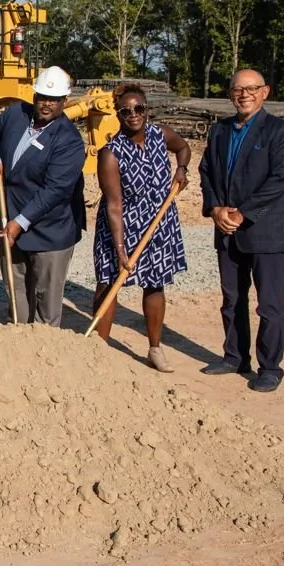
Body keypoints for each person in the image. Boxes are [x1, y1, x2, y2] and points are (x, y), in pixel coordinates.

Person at [198, 69, 284, 393]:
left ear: (265, 92)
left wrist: (244, 213)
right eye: (238, 89)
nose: (244, 94)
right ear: (230, 94)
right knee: (232, 299)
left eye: (251, 88)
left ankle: (270, 367)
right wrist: (215, 208)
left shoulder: (280, 132)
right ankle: (235, 357)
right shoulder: (220, 131)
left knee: (269, 304)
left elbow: (281, 179)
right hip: (227, 228)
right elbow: (206, 171)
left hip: (266, 231)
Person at [90, 85, 191, 373]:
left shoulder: (162, 134)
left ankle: (155, 348)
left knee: (155, 283)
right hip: (120, 227)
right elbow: (114, 205)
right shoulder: (110, 153)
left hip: (158, 223)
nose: (133, 114)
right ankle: (98, 352)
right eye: (126, 111)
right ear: (118, 114)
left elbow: (183, 148)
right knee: (109, 283)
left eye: (139, 108)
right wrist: (121, 249)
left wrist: (181, 169)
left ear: (147, 109)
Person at [0, 65, 86, 327]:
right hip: (10, 216)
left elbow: (54, 191)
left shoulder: (69, 140)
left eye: (54, 100)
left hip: (49, 229)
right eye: (43, 97)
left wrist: (19, 223)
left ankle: (45, 346)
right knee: (16, 290)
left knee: (46, 300)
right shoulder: (16, 114)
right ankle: (19, 339)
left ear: (64, 101)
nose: (47, 104)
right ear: (34, 96)